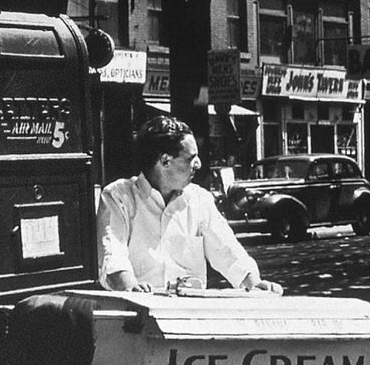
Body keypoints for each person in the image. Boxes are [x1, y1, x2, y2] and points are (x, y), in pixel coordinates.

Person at [97, 116, 281, 294]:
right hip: (140, 314)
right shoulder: (118, 197)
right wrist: (132, 290)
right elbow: (113, 257)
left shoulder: (200, 199)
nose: (198, 164)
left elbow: (227, 250)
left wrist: (254, 283)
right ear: (164, 161)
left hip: (191, 313)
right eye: (190, 158)